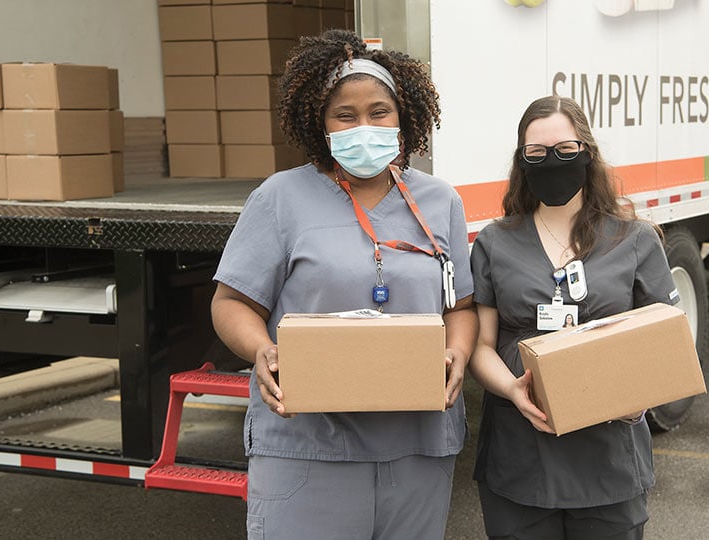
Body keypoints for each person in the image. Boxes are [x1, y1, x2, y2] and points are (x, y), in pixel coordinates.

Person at [211, 29, 476, 540]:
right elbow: (231, 302)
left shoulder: (441, 202)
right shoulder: (279, 199)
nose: (364, 126)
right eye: (345, 115)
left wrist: (458, 354)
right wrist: (263, 350)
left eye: (379, 112)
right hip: (308, 448)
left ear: (403, 119)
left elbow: (460, 306)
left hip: (417, 448)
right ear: (321, 122)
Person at [468, 96, 679, 539]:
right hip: (520, 454)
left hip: (609, 456)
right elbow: (481, 347)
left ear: (587, 154)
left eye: (565, 151)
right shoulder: (495, 242)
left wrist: (637, 398)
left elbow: (666, 344)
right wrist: (511, 388)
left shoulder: (635, 239)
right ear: (521, 161)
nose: (552, 162)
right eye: (537, 154)